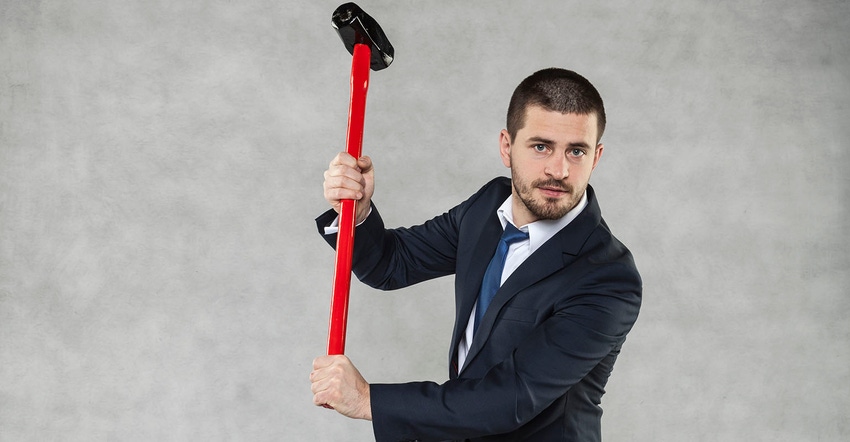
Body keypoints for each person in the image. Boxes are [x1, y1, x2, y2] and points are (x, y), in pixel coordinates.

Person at [310, 68, 642, 441]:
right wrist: (359, 211)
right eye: (541, 146)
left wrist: (368, 400)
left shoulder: (609, 279)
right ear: (506, 146)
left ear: (595, 157)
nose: (558, 170)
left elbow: (511, 398)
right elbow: (391, 264)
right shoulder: (488, 208)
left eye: (576, 151)